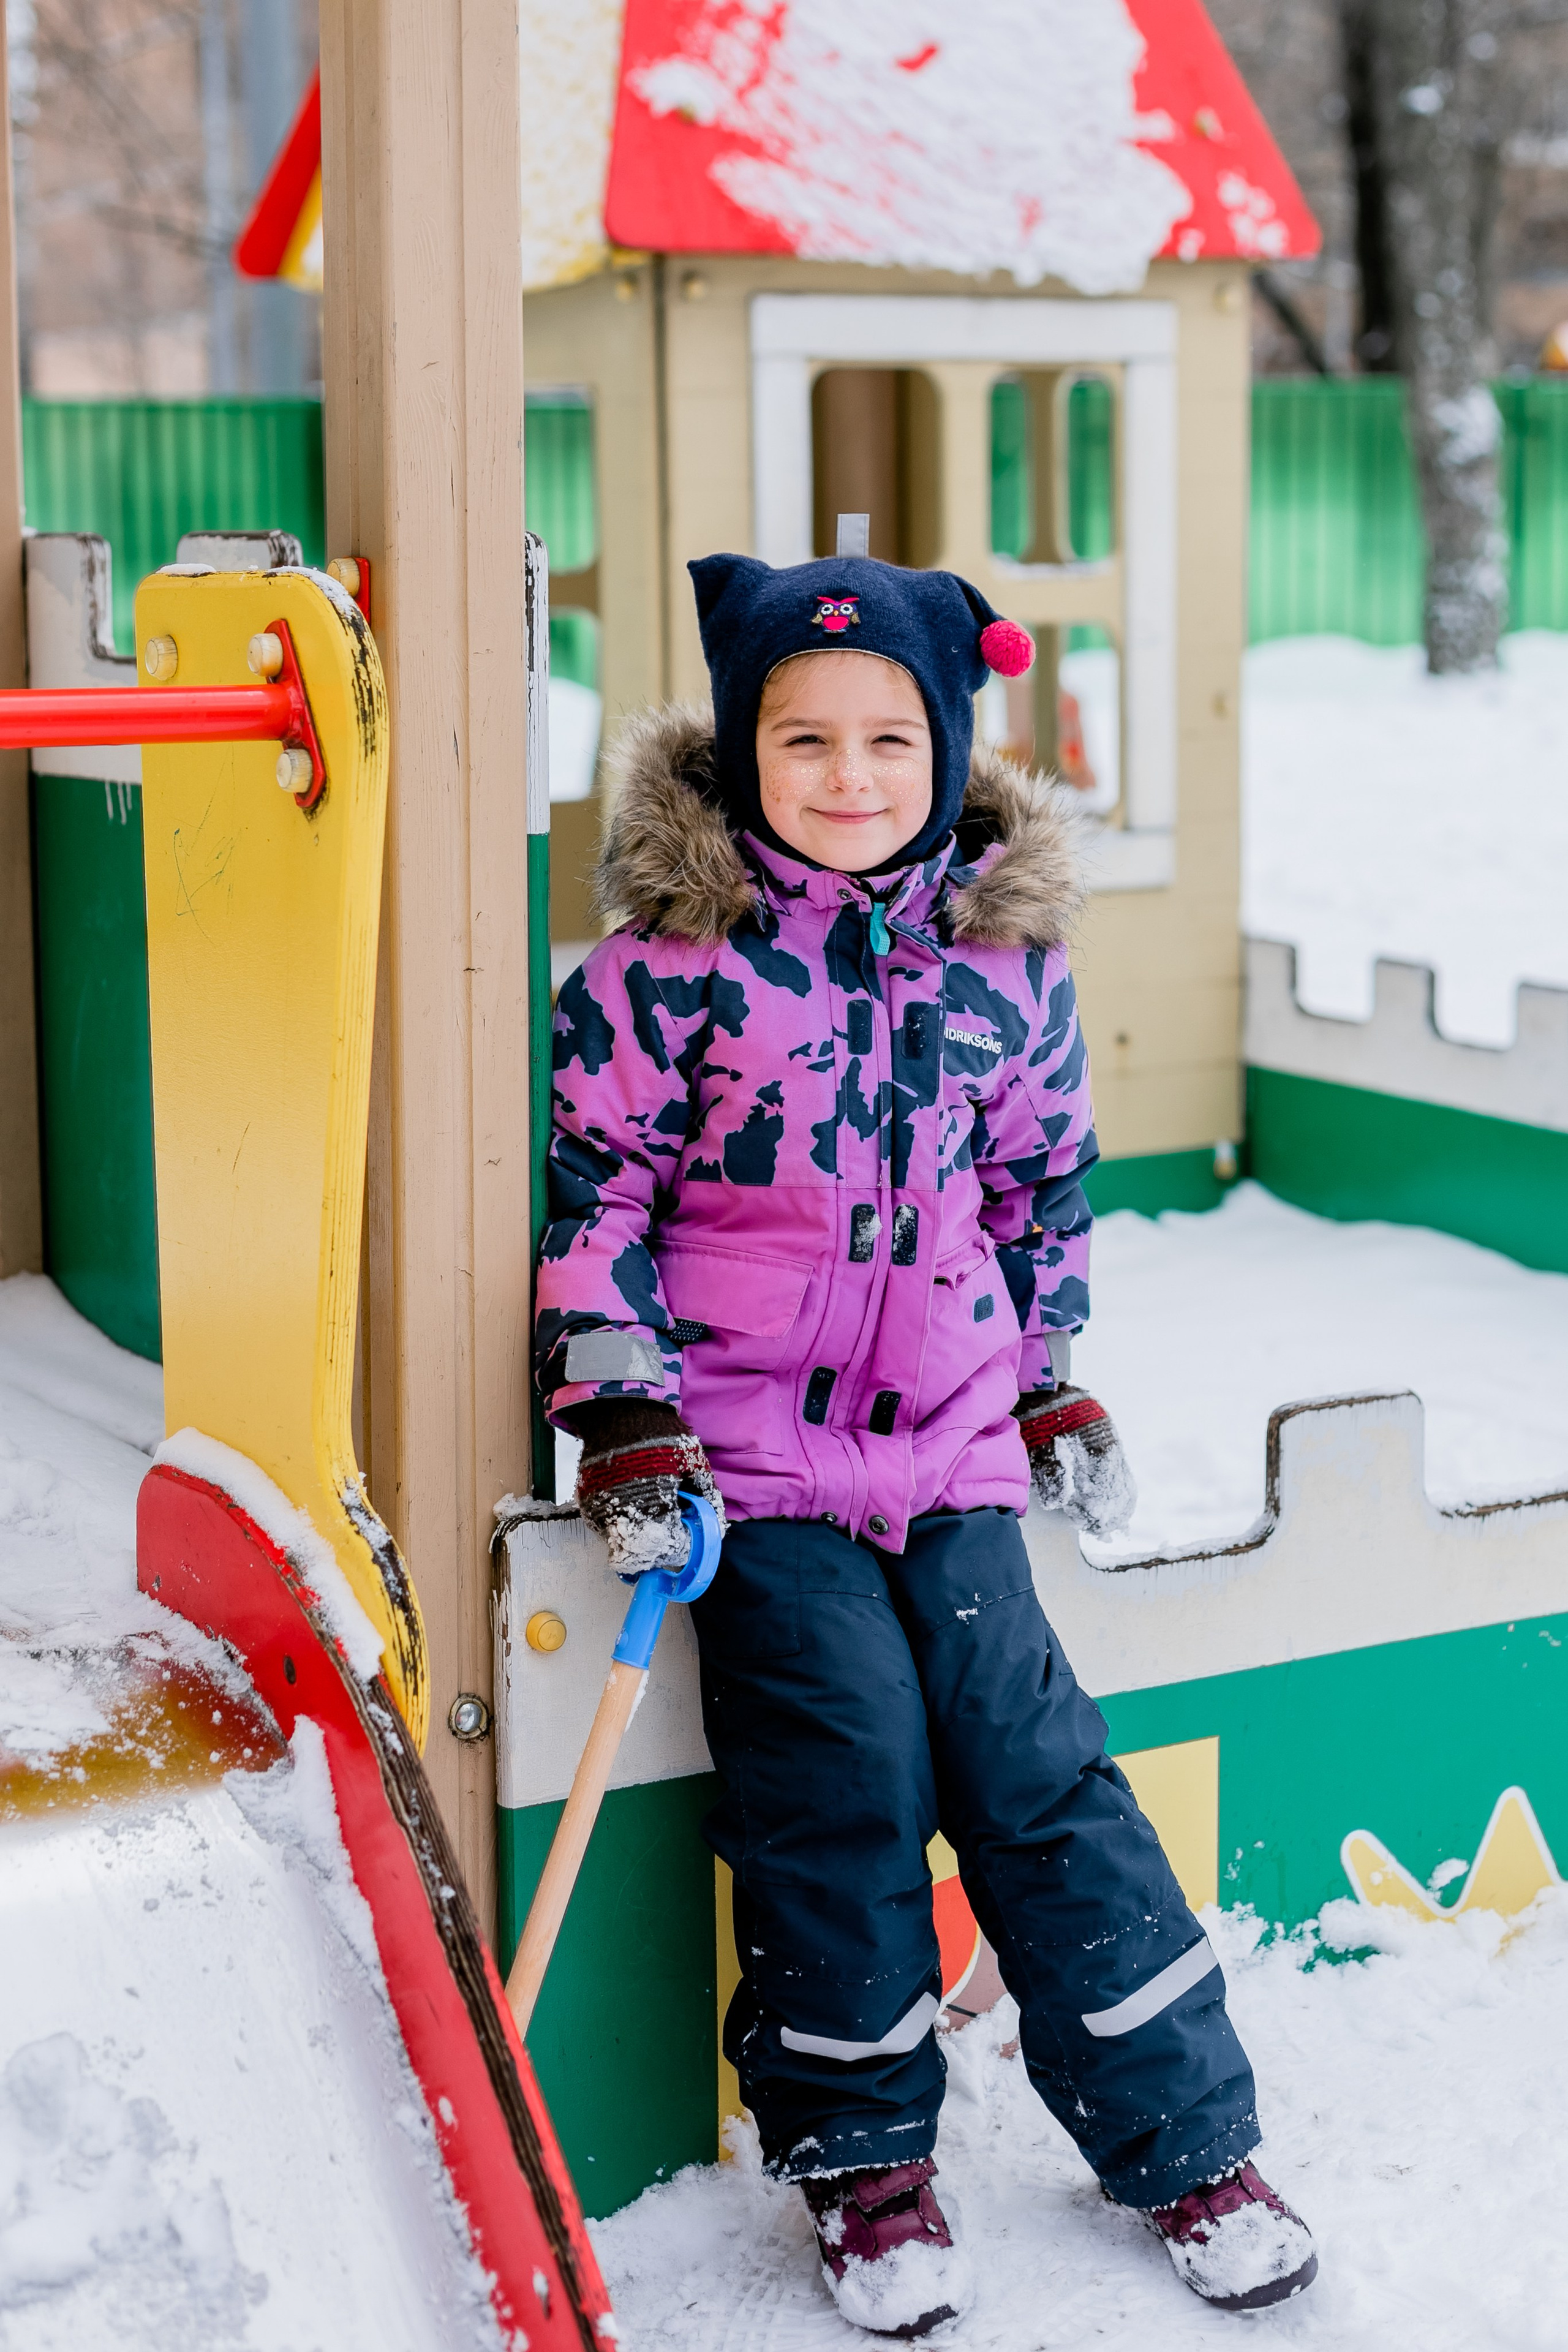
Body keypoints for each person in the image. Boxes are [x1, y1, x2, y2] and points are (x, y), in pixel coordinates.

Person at [535, 550, 1316, 2336]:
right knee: (848, 1778)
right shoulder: (669, 973)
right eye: (803, 739)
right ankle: (869, 2160)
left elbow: (1042, 1191)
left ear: (949, 746)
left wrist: (1046, 1371)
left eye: (892, 737)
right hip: (761, 1470)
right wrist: (630, 1413)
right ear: (738, 755)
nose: (851, 777)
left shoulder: (1002, 964)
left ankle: (1188, 2137)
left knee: (1039, 1773)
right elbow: (592, 1209)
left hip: (952, 1448)